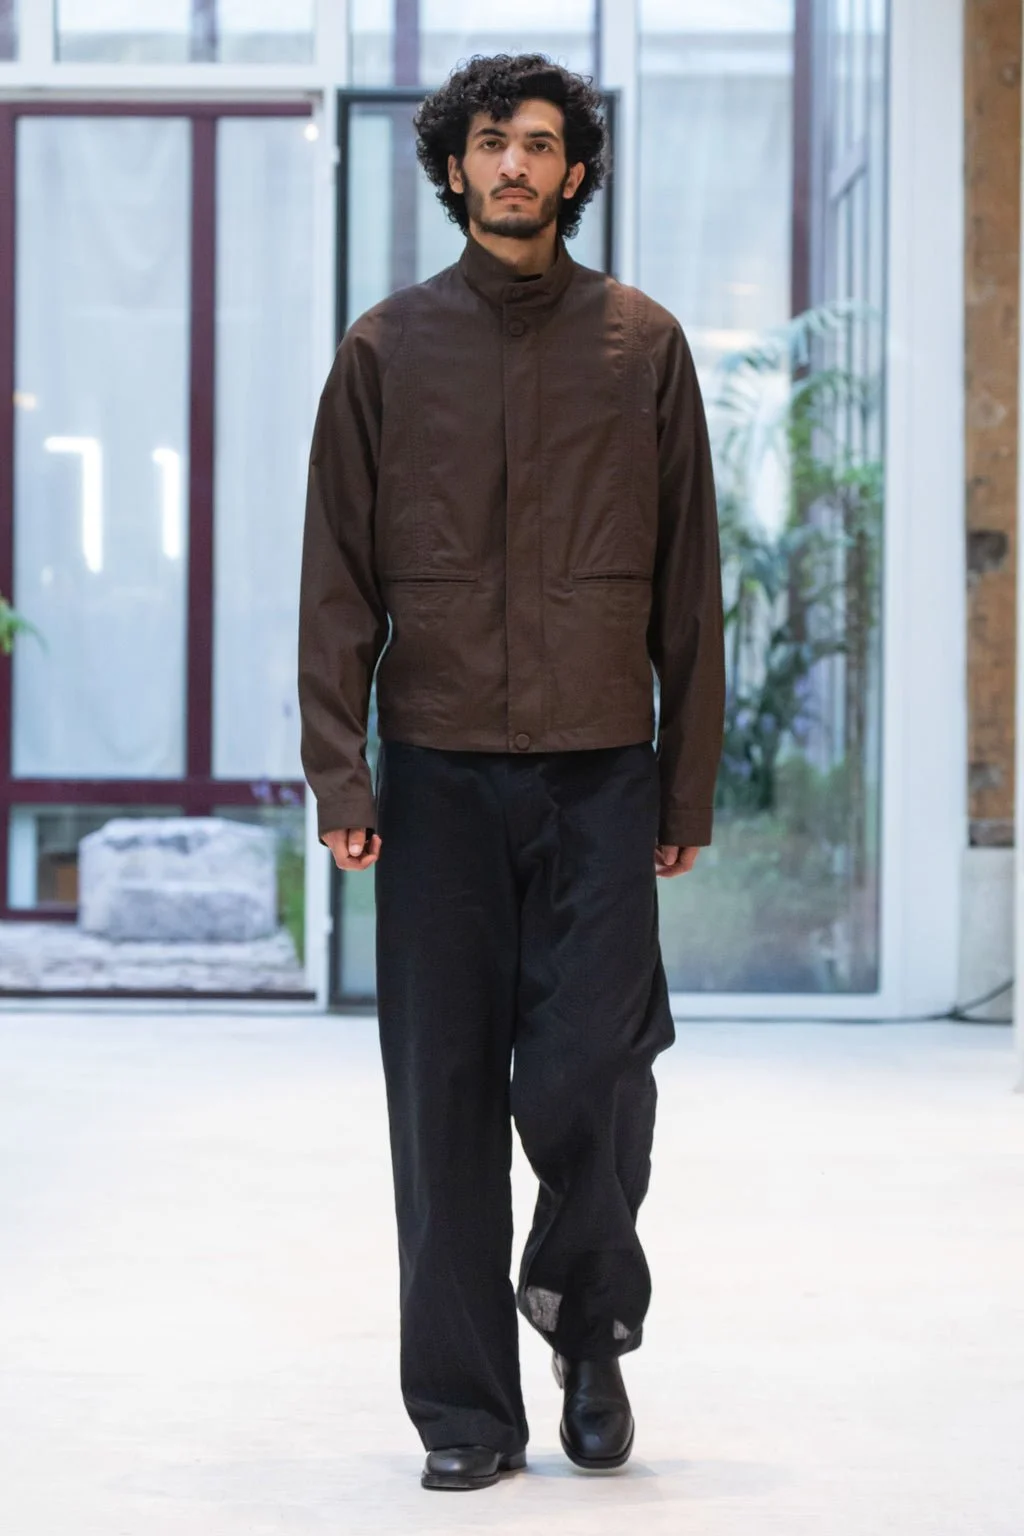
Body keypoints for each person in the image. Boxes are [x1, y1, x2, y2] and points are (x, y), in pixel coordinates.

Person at [297, 52, 725, 1493]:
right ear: (454, 167)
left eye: (540, 144)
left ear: (575, 171)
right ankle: (466, 1414)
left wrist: (684, 787)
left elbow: (690, 585)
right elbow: (336, 579)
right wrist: (342, 774)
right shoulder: (385, 350)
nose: (514, 165)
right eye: (491, 143)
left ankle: (587, 1327)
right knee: (443, 1101)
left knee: (593, 1071)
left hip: (602, 776)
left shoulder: (643, 346)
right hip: (436, 780)